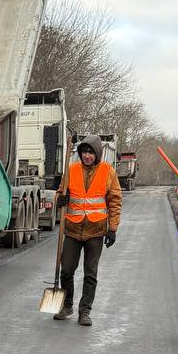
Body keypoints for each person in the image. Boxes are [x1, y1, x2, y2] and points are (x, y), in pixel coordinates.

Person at [53, 135, 122, 326]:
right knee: (66, 270)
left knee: (90, 274)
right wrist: (60, 199)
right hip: (73, 229)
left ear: (97, 154)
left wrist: (112, 228)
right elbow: (60, 192)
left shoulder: (108, 172)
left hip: (95, 231)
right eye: (84, 152)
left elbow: (115, 201)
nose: (87, 156)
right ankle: (67, 306)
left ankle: (85, 311)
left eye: (91, 152)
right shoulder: (72, 170)